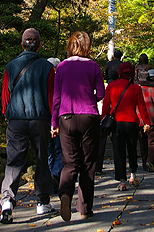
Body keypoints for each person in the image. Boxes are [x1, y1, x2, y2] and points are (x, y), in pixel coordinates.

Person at [0, 28, 55, 224]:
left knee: (14, 162)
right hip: (39, 118)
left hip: (15, 119)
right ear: (39, 45)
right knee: (42, 160)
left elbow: (5, 97)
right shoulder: (47, 67)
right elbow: (51, 96)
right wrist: (53, 120)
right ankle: (42, 202)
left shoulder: (10, 66)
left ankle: (7, 200)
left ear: (22, 45)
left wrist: (7, 115)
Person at [51, 31, 105, 222]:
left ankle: (65, 193)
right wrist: (90, 96)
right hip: (89, 116)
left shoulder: (62, 67)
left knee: (70, 161)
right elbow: (101, 93)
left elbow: (56, 97)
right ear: (87, 46)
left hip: (66, 117)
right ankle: (84, 208)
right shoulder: (93, 66)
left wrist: (53, 123)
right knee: (88, 163)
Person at [101, 62, 151, 191]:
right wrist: (146, 122)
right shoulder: (136, 88)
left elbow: (106, 107)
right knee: (132, 149)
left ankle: (122, 181)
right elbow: (142, 107)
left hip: (117, 122)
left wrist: (103, 119)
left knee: (118, 151)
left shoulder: (111, 86)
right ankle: (133, 175)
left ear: (119, 72)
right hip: (132, 122)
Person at [46, 57, 63, 194]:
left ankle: (50, 183)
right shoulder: (60, 79)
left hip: (44, 118)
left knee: (49, 152)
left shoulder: (41, 79)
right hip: (57, 119)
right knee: (60, 151)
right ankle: (55, 174)